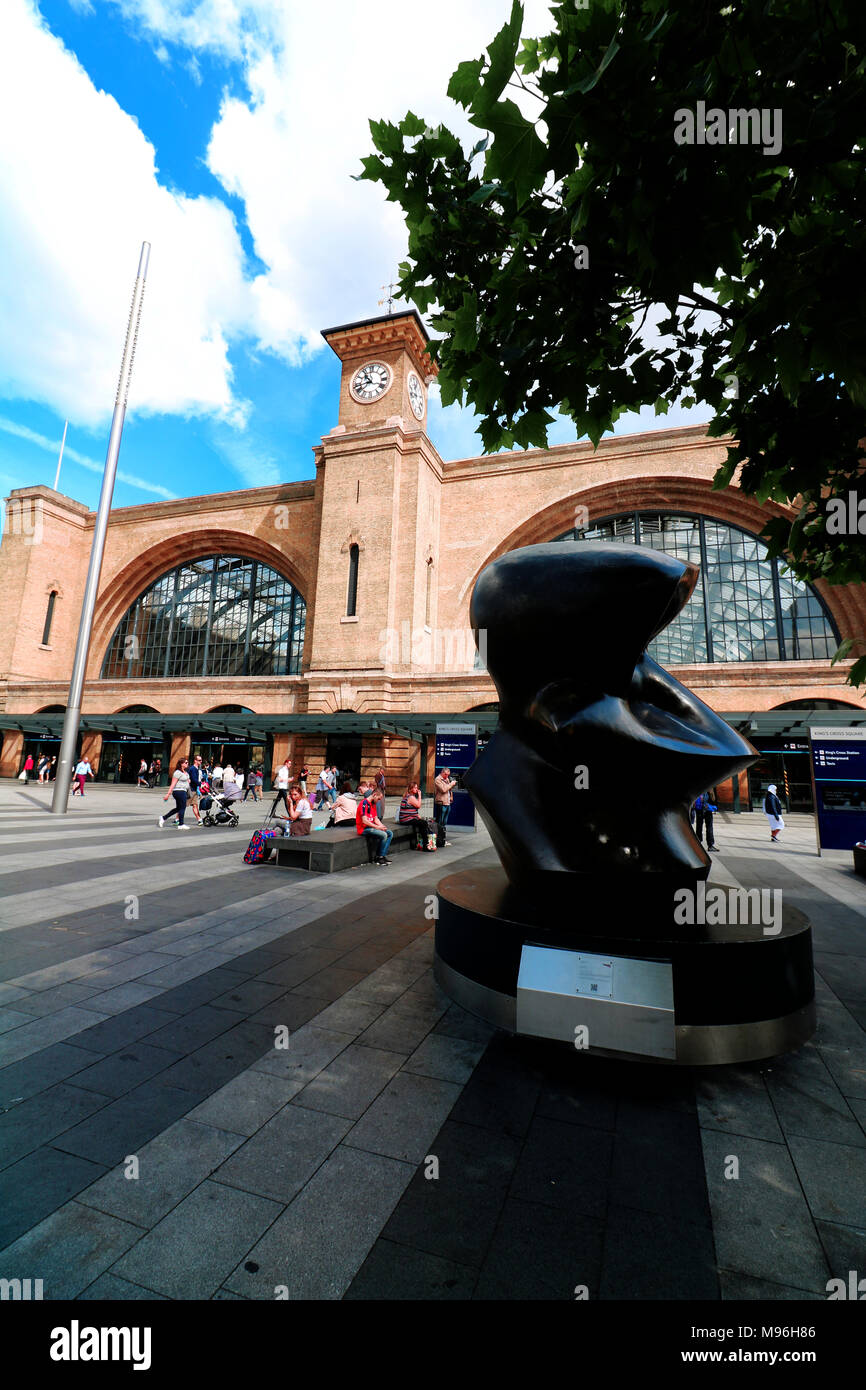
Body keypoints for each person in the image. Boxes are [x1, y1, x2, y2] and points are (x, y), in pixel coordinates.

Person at [356, 781, 393, 864]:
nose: (379, 801)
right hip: (364, 828)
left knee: (389, 833)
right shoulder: (364, 803)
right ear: (374, 794)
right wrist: (377, 827)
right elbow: (364, 821)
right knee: (384, 835)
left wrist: (382, 826)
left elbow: (375, 818)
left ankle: (382, 855)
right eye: (379, 799)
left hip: (371, 826)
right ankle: (379, 857)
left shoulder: (373, 804)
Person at [159, 759, 192, 829]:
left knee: (179, 808)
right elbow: (173, 784)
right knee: (182, 807)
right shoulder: (177, 772)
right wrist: (168, 794)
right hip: (179, 791)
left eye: (187, 762)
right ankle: (181, 824)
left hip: (183, 791)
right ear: (181, 764)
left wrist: (188, 781)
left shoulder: (185, 772)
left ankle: (163, 818)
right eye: (186, 762)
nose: (187, 763)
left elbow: (186, 781)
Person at [399, 781, 429, 849]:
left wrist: (418, 816)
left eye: (417, 787)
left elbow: (412, 810)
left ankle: (420, 843)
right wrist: (420, 795)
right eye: (415, 787)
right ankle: (425, 844)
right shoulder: (411, 797)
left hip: (406, 818)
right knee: (423, 823)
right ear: (411, 789)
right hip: (406, 819)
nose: (417, 789)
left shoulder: (408, 796)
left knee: (422, 822)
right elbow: (418, 805)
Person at [434, 767, 458, 843]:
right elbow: (443, 789)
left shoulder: (446, 779)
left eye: (448, 775)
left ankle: (442, 839)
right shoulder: (438, 779)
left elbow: (449, 790)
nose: (447, 776)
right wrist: (451, 784)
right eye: (446, 774)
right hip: (441, 803)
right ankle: (438, 839)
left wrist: (451, 797)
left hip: (447, 803)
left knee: (444, 822)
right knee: (440, 822)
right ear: (442, 773)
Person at [187, 753, 204, 824]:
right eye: (199, 760)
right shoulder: (193, 769)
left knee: (195, 804)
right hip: (190, 790)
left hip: (194, 789)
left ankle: (199, 819)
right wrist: (201, 784)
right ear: (195, 761)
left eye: (201, 760)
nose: (201, 762)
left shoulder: (196, 769)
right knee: (183, 806)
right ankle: (177, 819)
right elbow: (193, 779)